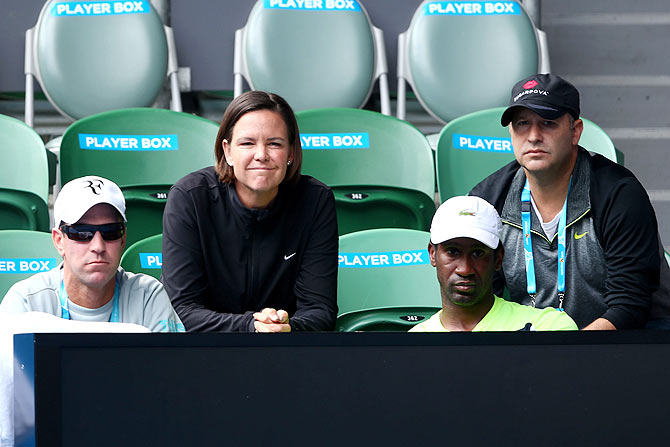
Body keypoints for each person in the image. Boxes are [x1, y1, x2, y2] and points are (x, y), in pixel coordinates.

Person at [471, 73, 670, 329]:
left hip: (635, 338)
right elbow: (484, 300)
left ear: (575, 131)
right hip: (542, 348)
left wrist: (568, 357)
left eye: (548, 123)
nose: (533, 136)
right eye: (522, 123)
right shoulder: (489, 199)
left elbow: (629, 305)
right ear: (511, 131)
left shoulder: (618, 193)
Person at [161, 91, 338, 332]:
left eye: (274, 143)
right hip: (204, 352)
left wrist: (286, 328)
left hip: (286, 351)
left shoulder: (315, 200)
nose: (261, 155)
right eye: (247, 143)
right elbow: (180, 310)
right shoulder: (190, 197)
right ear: (228, 151)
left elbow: (320, 309)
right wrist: (251, 326)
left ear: (291, 152)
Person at [0, 176, 185, 333]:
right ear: (58, 240)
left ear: (123, 239)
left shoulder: (148, 297)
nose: (98, 246)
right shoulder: (26, 302)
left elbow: (171, 373)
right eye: (81, 233)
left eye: (111, 231)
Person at [410, 196, 576, 332]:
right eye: (453, 252)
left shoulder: (548, 328)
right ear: (432, 254)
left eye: (477, 253)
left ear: (498, 258)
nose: (465, 269)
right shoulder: (415, 343)